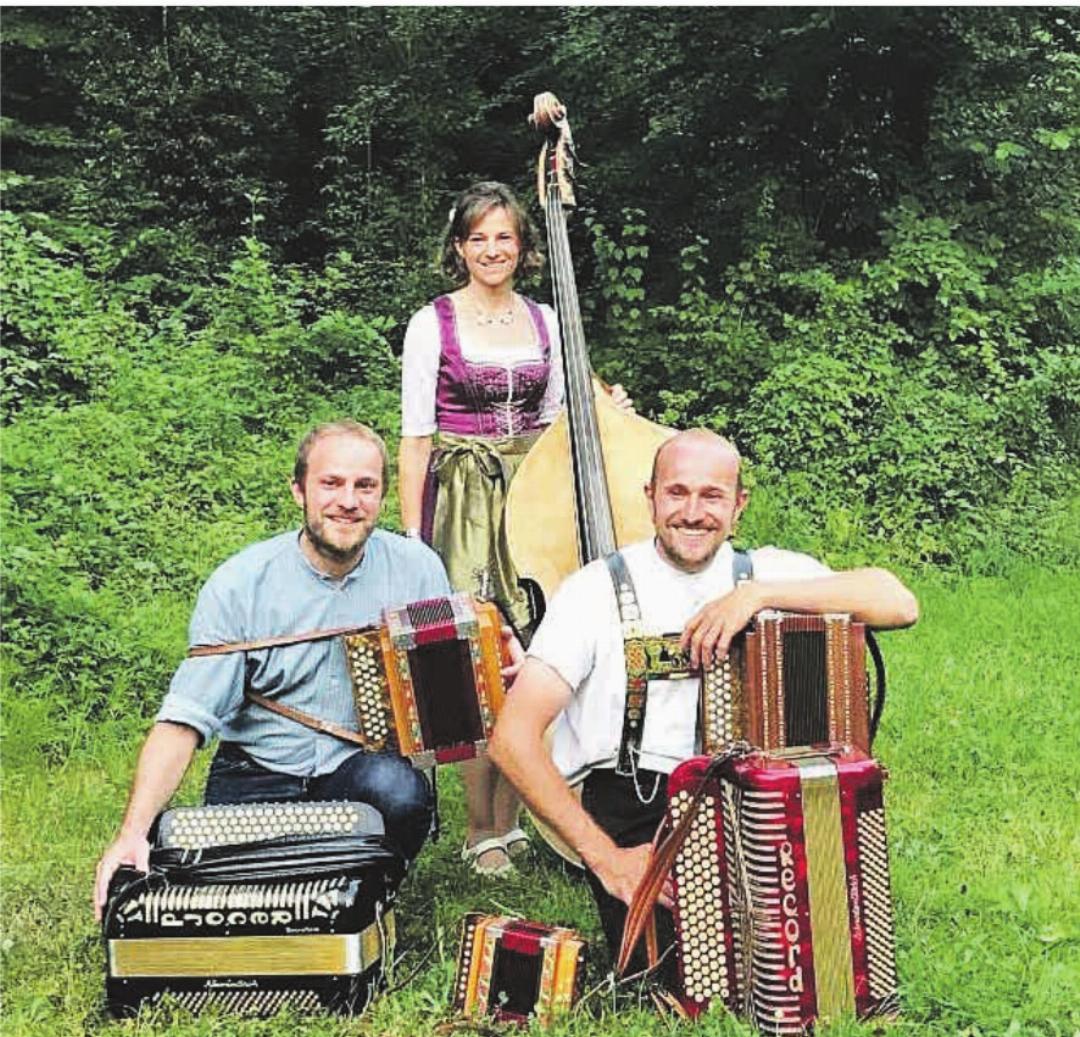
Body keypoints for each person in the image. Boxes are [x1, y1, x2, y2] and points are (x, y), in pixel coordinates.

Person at [489, 428, 919, 968]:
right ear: (649, 498)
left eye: (712, 496)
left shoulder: (766, 572)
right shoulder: (595, 590)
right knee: (689, 969)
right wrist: (609, 859)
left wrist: (757, 597)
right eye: (677, 493)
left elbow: (898, 602)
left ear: (738, 507)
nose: (693, 512)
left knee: (804, 950)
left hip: (762, 795)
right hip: (643, 803)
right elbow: (513, 739)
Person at [94, 420, 454, 921]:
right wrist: (132, 832)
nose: (348, 500)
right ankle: (316, 883)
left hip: (361, 771)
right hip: (257, 771)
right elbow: (184, 720)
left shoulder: (419, 570)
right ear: (298, 491)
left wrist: (498, 669)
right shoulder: (240, 583)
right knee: (232, 895)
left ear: (382, 496)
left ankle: (363, 903)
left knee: (398, 792)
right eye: (331, 483)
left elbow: (456, 686)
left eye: (364, 486)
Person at [397, 180, 630, 877]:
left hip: (533, 496)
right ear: (459, 247)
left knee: (537, 648)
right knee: (473, 658)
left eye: (504, 237)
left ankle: (525, 810)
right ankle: (481, 826)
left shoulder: (547, 321)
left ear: (523, 246)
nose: (491, 250)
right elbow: (414, 438)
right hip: (464, 497)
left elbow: (565, 412)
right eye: (478, 238)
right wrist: (414, 538)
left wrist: (606, 402)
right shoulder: (430, 323)